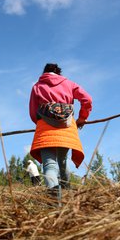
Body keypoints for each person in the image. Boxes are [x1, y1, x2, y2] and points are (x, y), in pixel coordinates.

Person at [29, 63, 92, 205]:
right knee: (63, 162)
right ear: (59, 72)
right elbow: (87, 99)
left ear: (44, 72)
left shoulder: (37, 86)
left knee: (49, 165)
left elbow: (33, 112)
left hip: (45, 130)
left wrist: (41, 123)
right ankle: (68, 194)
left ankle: (54, 198)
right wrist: (82, 117)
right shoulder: (69, 84)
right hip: (66, 129)